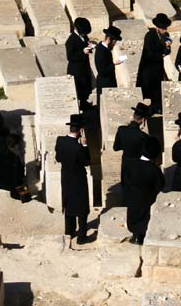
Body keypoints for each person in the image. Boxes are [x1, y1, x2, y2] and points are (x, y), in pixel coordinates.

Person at [55, 113, 91, 244]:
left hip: (66, 177)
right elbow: (86, 162)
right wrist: (85, 146)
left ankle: (69, 231)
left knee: (68, 204)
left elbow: (58, 158)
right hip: (79, 180)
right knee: (82, 208)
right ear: (81, 130)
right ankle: (82, 237)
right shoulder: (78, 148)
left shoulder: (60, 141)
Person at [123, 134, 164, 245]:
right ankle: (140, 237)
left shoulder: (130, 164)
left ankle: (135, 235)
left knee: (133, 216)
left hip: (132, 197)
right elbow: (160, 186)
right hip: (147, 199)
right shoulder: (154, 170)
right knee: (144, 218)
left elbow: (125, 181)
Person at [136, 13, 172, 113]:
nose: (165, 30)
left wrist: (167, 47)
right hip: (148, 66)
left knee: (157, 87)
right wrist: (161, 55)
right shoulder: (150, 36)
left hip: (158, 66)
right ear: (158, 27)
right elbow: (149, 52)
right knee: (149, 87)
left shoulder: (166, 36)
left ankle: (157, 107)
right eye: (163, 28)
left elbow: (167, 51)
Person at [113, 102, 149, 186]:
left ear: (133, 116)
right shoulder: (143, 136)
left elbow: (116, 147)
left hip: (125, 164)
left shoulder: (121, 129)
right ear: (143, 120)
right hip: (137, 166)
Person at [65, 17, 94, 111]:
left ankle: (84, 103)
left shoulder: (83, 36)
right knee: (79, 89)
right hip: (76, 70)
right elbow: (70, 57)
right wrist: (83, 52)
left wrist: (90, 46)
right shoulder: (71, 40)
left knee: (85, 88)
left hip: (84, 68)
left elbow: (85, 43)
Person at [94, 25, 122, 100]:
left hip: (107, 81)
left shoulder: (102, 47)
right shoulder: (102, 51)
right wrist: (114, 64)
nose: (115, 44)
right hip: (105, 83)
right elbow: (102, 70)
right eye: (114, 41)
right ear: (110, 39)